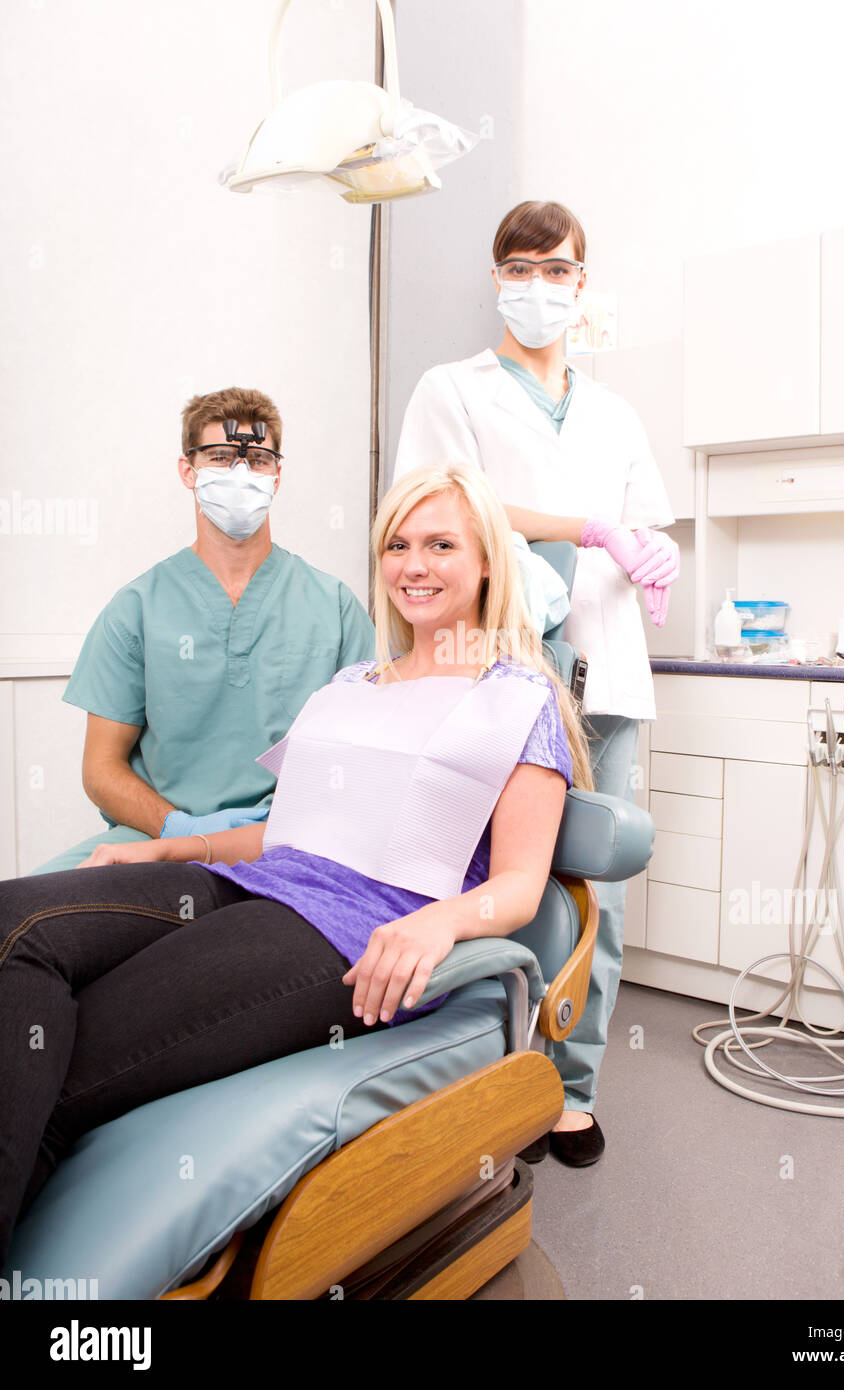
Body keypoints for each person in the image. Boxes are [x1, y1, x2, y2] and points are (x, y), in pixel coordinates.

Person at [0, 462, 590, 1266]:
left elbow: (521, 885)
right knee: (17, 920)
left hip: (343, 929)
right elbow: (287, 830)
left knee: (70, 1063)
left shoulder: (519, 698)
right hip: (251, 882)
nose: (412, 565)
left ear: (487, 558)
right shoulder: (354, 684)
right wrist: (177, 844)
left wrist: (437, 923)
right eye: (397, 545)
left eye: (440, 544)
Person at [395, 200, 678, 1166]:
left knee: (595, 878)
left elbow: (648, 518)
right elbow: (444, 506)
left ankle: (569, 1086)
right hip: (504, 655)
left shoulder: (615, 412)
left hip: (604, 672)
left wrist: (649, 551)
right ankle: (482, 1078)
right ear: (496, 277)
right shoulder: (452, 388)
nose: (537, 285)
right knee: (487, 873)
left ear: (579, 283)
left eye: (556, 270)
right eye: (519, 267)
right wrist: (581, 528)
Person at [31, 387, 375, 875]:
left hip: (284, 840)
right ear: (187, 471)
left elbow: (361, 759)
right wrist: (179, 832)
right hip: (154, 837)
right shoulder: (138, 608)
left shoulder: (333, 605)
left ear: (277, 474)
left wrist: (270, 829)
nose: (240, 474)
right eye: (219, 457)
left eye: (257, 459)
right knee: (22, 915)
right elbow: (101, 769)